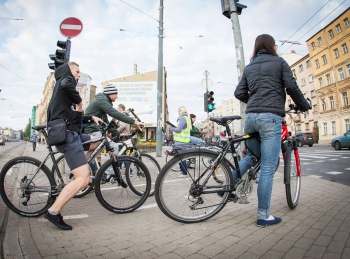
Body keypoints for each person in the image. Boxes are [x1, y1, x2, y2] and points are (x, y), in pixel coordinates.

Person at [230, 34, 310, 227]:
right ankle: (263, 215)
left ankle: (226, 185)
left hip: (250, 118)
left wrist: (255, 102)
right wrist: (303, 105)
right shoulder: (279, 62)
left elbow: (239, 92)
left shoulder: (250, 67)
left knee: (250, 157)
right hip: (270, 118)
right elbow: (291, 86)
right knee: (267, 167)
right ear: (272, 46)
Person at [45, 62, 103, 230]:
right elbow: (66, 83)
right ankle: (54, 211)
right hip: (68, 136)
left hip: (71, 132)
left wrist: (90, 118)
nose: (78, 75)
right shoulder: (65, 81)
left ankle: (79, 164)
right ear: (68, 72)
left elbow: (72, 116)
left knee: (96, 141)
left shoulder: (62, 92)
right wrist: (78, 100)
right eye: (77, 72)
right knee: (83, 178)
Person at [83, 84, 144, 177]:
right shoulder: (101, 101)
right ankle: (109, 173)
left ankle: (86, 168)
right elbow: (115, 114)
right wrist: (134, 122)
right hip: (92, 128)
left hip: (94, 129)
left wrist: (118, 134)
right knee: (113, 147)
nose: (117, 96)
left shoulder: (103, 101)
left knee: (100, 149)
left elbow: (107, 123)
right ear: (110, 93)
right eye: (116, 94)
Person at [169, 106, 192, 178]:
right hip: (183, 141)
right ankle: (183, 171)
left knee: (181, 158)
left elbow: (178, 129)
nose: (178, 112)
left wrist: (171, 127)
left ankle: (184, 173)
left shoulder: (182, 118)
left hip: (181, 141)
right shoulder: (186, 118)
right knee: (180, 157)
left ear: (182, 111)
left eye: (179, 110)